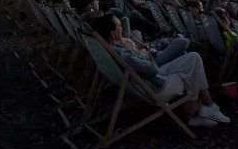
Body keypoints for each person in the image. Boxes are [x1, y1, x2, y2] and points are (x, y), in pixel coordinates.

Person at [94, 13, 230, 128]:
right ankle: (200, 108)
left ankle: (202, 108)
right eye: (119, 26)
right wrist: (143, 53)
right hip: (157, 87)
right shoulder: (124, 54)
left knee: (193, 58)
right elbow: (152, 69)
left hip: (147, 80)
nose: (122, 27)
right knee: (193, 63)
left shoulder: (109, 50)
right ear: (112, 33)